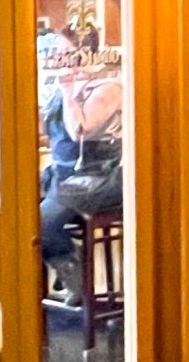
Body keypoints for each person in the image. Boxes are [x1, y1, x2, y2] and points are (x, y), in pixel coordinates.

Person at [39, 55, 125, 306]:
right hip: (63, 174)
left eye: (66, 53)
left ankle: (73, 270)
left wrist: (67, 93)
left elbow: (81, 131)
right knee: (15, 208)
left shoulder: (107, 88)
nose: (59, 59)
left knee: (41, 223)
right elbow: (47, 131)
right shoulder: (67, 86)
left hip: (97, 178)